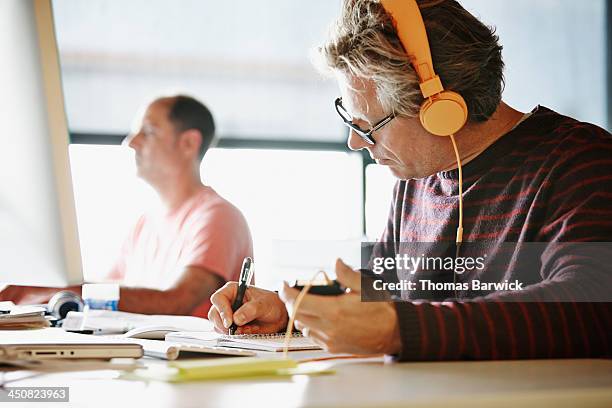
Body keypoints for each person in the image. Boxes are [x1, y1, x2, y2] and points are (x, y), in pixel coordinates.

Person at [208, 0, 611, 359]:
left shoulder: (579, 162)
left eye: (370, 125)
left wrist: (398, 330)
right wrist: (291, 311)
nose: (354, 141)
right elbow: (381, 290)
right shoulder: (418, 178)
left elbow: (592, 303)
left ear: (441, 108)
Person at [0, 95, 253, 317]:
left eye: (148, 131)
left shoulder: (217, 217)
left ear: (188, 143)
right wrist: (42, 286)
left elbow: (177, 301)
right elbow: (108, 291)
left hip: (195, 365)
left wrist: (57, 290)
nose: (131, 142)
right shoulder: (145, 223)